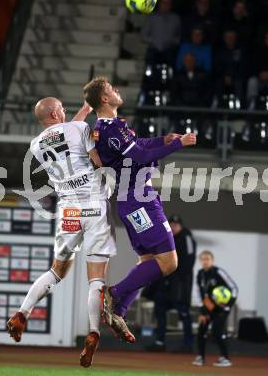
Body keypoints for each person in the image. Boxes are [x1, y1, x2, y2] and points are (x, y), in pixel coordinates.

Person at [82, 76, 196, 342]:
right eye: (112, 88)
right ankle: (113, 294)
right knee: (169, 263)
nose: (117, 90)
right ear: (105, 99)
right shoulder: (109, 129)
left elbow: (141, 146)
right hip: (137, 199)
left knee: (148, 261)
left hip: (135, 198)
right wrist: (178, 144)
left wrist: (163, 139)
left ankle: (118, 310)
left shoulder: (113, 127)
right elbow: (142, 157)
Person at [6, 98, 117, 368]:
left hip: (68, 210)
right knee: (96, 279)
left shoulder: (35, 144)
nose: (66, 113)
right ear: (56, 113)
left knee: (57, 271)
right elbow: (96, 159)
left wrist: (85, 109)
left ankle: (22, 312)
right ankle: (93, 332)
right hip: (93, 204)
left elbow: (64, 132)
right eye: (63, 110)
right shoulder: (79, 129)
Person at [145, 215, 196, 352]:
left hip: (180, 285)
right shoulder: (166, 238)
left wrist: (176, 278)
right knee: (159, 309)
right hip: (165, 282)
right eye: (171, 224)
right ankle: (160, 341)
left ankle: (188, 344)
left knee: (183, 313)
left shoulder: (187, 238)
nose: (173, 227)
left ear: (181, 226)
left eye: (176, 225)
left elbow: (188, 263)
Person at [192, 250, 238, 368]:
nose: (205, 261)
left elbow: (234, 288)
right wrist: (203, 311)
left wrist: (228, 306)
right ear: (200, 261)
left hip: (221, 308)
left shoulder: (218, 272)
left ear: (212, 260)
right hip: (208, 307)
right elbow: (199, 294)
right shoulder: (200, 274)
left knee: (217, 332)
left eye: (207, 259)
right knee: (201, 331)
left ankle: (225, 358)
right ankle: (201, 357)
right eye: (203, 259)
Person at [141, 0, 181, 66]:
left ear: (171, 5)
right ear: (159, 4)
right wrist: (155, 41)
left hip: (168, 50)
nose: (165, 5)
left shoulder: (176, 18)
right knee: (149, 68)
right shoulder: (152, 17)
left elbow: (179, 37)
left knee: (171, 65)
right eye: (163, 2)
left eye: (168, 3)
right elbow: (143, 35)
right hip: (153, 49)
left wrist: (171, 41)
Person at [214, 29, 247, 106]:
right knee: (217, 83)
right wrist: (225, 76)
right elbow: (217, 66)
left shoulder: (241, 50)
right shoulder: (220, 50)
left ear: (235, 38)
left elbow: (243, 66)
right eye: (228, 37)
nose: (230, 39)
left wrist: (232, 76)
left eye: (232, 37)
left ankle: (240, 108)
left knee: (239, 83)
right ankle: (218, 108)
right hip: (222, 77)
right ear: (224, 38)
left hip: (237, 77)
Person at [246, 30, 268, 108]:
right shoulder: (259, 52)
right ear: (265, 40)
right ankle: (251, 106)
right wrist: (259, 74)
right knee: (252, 81)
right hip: (259, 80)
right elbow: (252, 67)